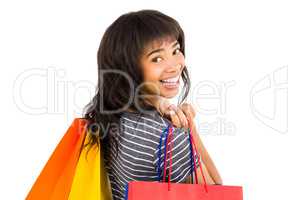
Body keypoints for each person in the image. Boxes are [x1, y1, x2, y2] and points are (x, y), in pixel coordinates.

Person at [82, 9, 222, 200]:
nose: (174, 65)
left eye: (176, 50)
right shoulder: (168, 138)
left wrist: (157, 101)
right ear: (128, 67)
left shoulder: (109, 113)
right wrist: (190, 130)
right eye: (157, 58)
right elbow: (216, 192)